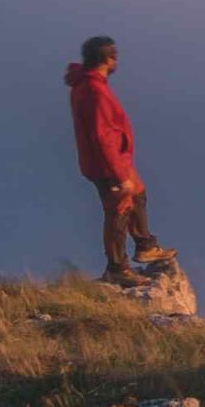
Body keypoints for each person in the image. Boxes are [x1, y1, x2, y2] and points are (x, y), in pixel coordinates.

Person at [67, 36, 162, 278]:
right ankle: (117, 267)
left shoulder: (90, 85)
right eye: (114, 56)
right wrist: (120, 176)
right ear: (108, 59)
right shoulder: (94, 90)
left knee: (138, 193)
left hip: (113, 159)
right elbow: (102, 136)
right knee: (119, 208)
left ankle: (145, 246)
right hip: (106, 164)